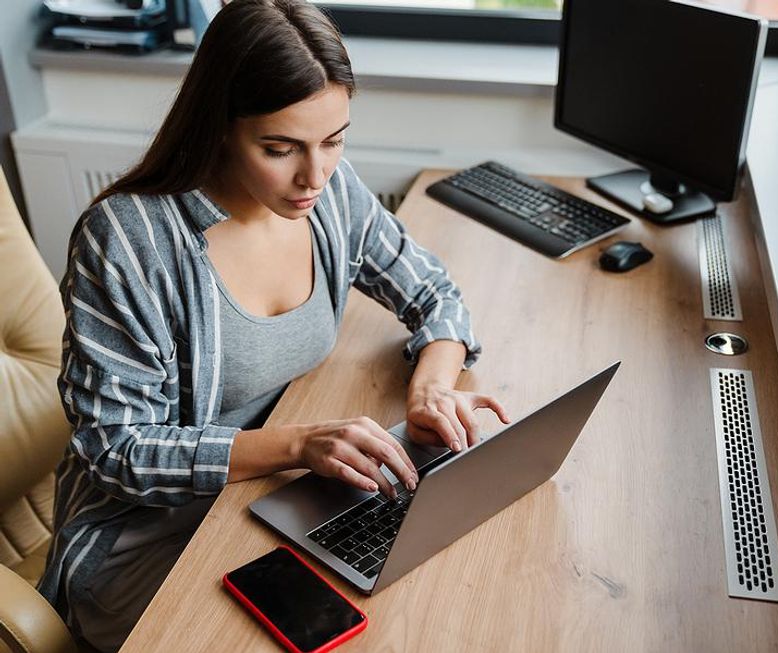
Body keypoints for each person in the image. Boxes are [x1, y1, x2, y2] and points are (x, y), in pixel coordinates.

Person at [37, 1, 509, 650]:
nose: (314, 175)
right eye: (280, 148)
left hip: (270, 501)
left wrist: (430, 385)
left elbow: (433, 291)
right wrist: (297, 445)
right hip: (146, 537)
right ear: (221, 127)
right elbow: (118, 448)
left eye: (335, 140)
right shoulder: (128, 239)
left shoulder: (329, 194)